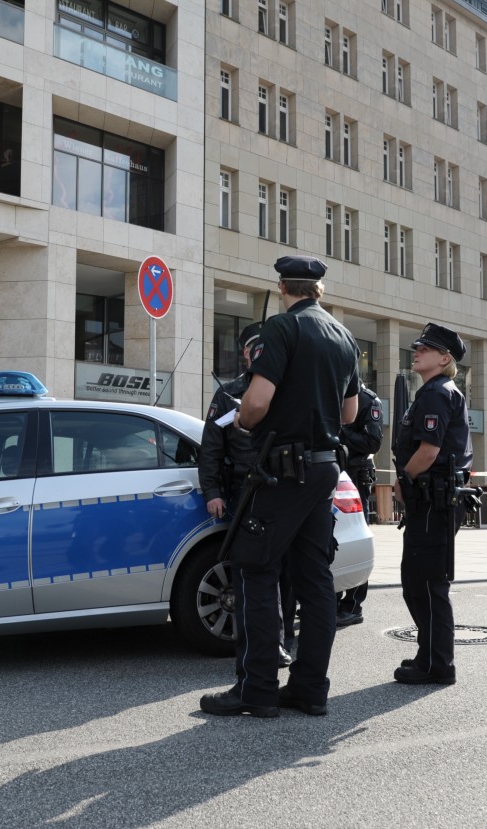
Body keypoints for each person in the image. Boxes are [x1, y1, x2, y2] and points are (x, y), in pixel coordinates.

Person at [200, 255, 359, 718]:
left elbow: (256, 402)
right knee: (314, 579)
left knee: (256, 569)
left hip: (283, 470)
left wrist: (247, 419)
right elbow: (349, 415)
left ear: (282, 288)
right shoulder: (344, 336)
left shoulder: (279, 329)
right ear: (318, 290)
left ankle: (257, 689)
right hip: (324, 467)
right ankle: (310, 688)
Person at [199, 322, 295, 667]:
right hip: (243, 493)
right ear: (245, 353)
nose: (259, 354)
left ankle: (281, 642)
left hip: (281, 491)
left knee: (284, 570)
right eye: (253, 348)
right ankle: (250, 643)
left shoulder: (283, 390)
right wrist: (212, 491)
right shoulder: (228, 395)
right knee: (248, 571)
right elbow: (210, 449)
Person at [392, 322, 472, 686]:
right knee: (419, 582)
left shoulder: (437, 394)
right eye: (417, 347)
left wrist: (403, 479)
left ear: (444, 358)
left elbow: (429, 451)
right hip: (432, 500)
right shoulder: (434, 390)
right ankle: (430, 656)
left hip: (433, 499)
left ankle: (439, 664)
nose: (417, 352)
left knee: (426, 584)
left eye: (425, 349)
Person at [336, 382, 383, 627]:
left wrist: (340, 430)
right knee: (332, 539)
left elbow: (373, 442)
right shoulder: (332, 393)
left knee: (354, 537)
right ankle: (332, 600)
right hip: (334, 474)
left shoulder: (367, 400)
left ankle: (352, 605)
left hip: (355, 475)